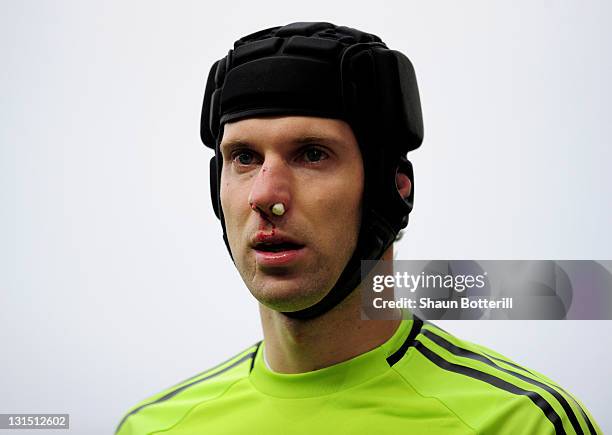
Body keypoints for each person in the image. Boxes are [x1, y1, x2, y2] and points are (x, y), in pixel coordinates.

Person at [116, 22, 600, 434]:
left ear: (395, 189)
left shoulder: (524, 422)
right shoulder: (153, 426)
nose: (265, 196)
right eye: (244, 157)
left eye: (312, 154)